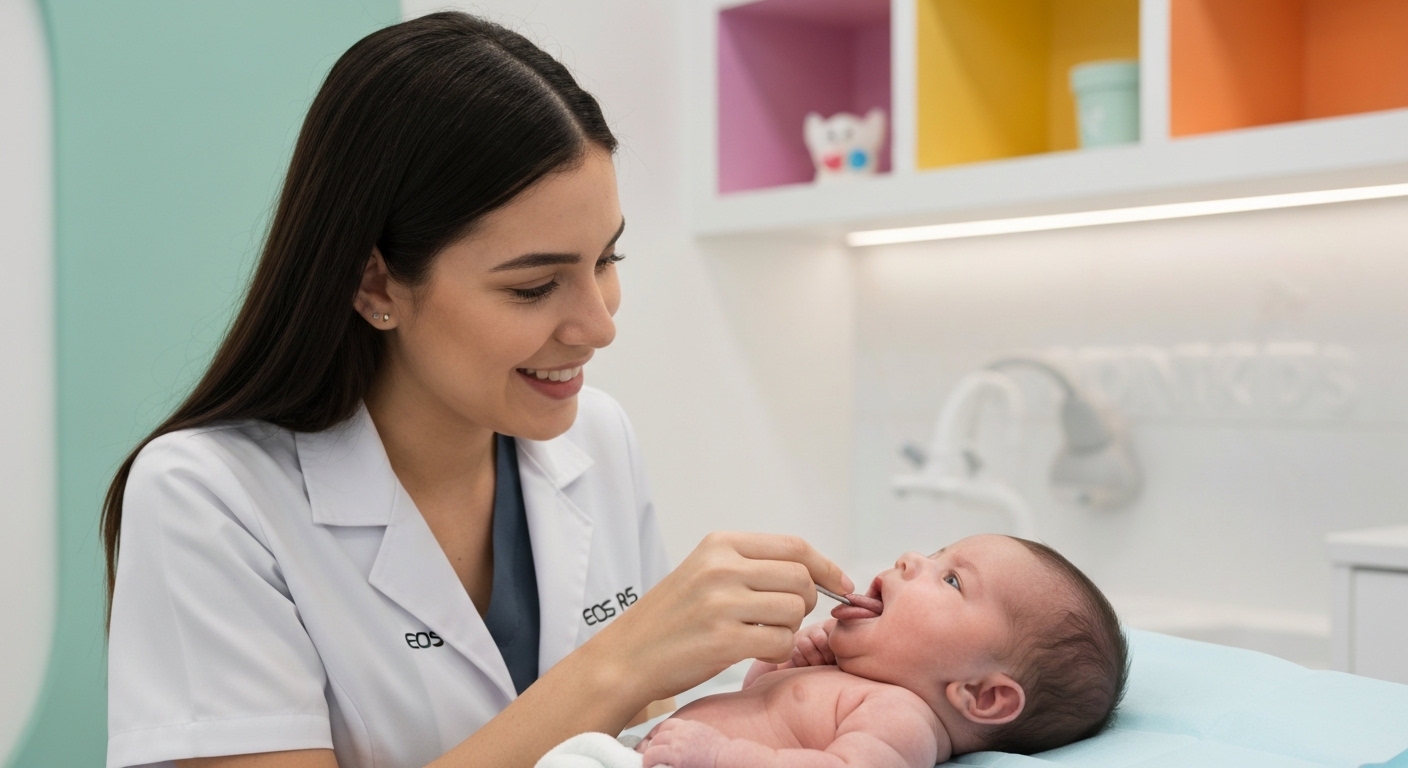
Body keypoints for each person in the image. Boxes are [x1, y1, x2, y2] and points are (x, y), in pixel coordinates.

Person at [101, 12, 853, 768]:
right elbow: (620, 682)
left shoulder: (596, 437)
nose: (597, 326)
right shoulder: (208, 499)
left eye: (606, 260)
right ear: (375, 283)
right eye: (534, 287)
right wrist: (623, 662)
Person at [635, 535, 1129, 767]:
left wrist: (722, 756)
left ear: (981, 696)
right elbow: (762, 712)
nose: (911, 558)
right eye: (935, 554)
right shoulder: (853, 683)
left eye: (951, 579)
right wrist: (777, 667)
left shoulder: (901, 718)